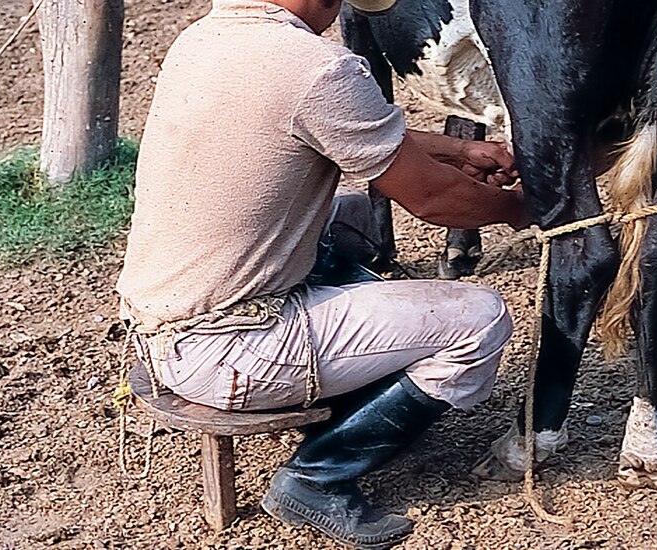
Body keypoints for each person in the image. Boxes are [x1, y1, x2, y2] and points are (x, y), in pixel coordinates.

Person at [115, 1, 529, 547]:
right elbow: (433, 200)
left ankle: (362, 361)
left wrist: (458, 151)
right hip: (229, 350)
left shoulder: (206, 37)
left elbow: (341, 124)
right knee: (479, 318)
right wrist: (527, 207)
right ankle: (317, 476)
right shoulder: (317, 67)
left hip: (160, 322)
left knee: (353, 219)